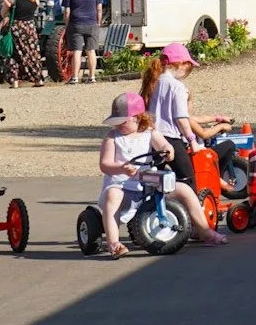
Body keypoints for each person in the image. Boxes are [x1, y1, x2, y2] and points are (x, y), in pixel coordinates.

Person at [96, 90, 226, 258]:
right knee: (113, 195)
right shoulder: (112, 137)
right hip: (122, 185)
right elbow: (105, 165)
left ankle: (205, 231)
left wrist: (168, 151)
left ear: (138, 117)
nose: (119, 125)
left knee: (185, 190)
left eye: (123, 121)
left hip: (148, 183)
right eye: (116, 122)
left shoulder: (149, 132)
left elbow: (164, 145)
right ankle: (114, 243)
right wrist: (121, 168)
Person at [143, 43, 234, 191]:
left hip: (152, 137)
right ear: (180, 64)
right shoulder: (177, 86)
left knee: (153, 180)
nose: (187, 71)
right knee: (188, 180)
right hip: (171, 138)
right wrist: (192, 140)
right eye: (188, 67)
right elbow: (181, 118)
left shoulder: (154, 81)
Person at [62, 0, 103, 83]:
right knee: (91, 51)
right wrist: (98, 22)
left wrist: (67, 24)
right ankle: (92, 77)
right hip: (92, 23)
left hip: (76, 23)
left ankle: (75, 77)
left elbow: (67, 11)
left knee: (77, 51)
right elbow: (99, 8)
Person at [2, 0, 46, 85]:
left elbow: (3, 14)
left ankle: (15, 81)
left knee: (15, 53)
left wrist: (6, 3)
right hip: (30, 27)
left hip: (16, 27)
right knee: (32, 53)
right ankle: (38, 79)